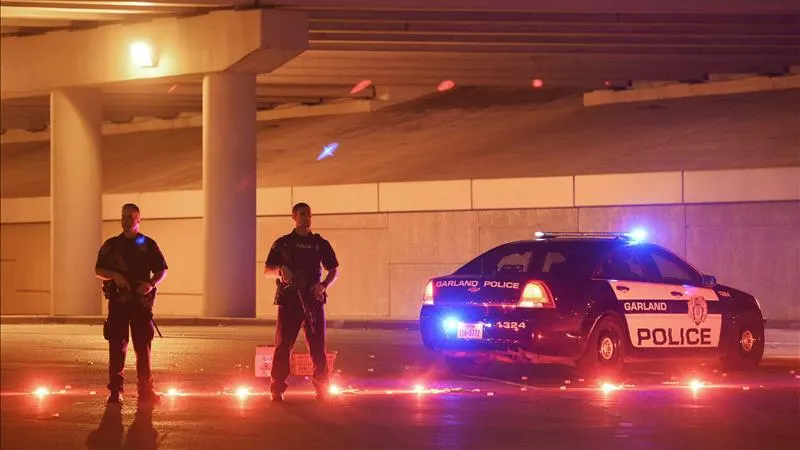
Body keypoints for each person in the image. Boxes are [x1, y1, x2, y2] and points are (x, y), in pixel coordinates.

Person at [264, 202, 340, 401]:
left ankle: (322, 388)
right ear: (294, 216)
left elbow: (333, 270)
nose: (307, 218)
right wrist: (281, 268)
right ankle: (277, 389)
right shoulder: (283, 243)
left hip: (313, 300)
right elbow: (267, 270)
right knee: (282, 346)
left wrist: (322, 286)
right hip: (289, 301)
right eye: (303, 214)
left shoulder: (319, 243)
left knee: (318, 347)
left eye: (309, 214)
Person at [95, 203, 168, 404]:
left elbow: (162, 270)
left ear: (138, 220)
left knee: (143, 347)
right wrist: (115, 276)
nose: (127, 220)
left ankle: (146, 390)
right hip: (119, 303)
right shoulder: (112, 245)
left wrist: (151, 284)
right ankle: (116, 390)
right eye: (124, 217)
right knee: (117, 347)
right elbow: (99, 270)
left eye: (131, 217)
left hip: (141, 304)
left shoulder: (148, 244)